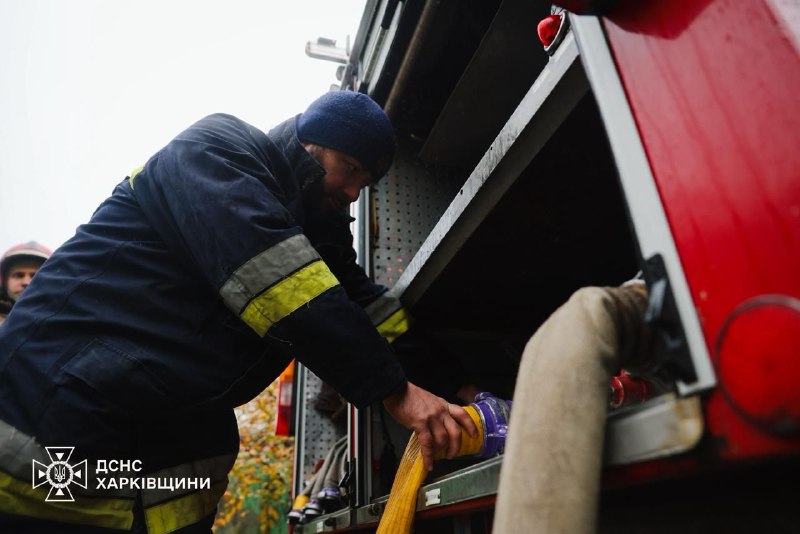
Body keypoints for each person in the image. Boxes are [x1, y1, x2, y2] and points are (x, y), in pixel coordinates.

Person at [0, 91, 477, 533]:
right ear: (309, 143)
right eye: (348, 168)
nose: (354, 192)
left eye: (365, 183)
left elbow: (369, 311)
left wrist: (460, 388)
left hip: (164, 426)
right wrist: (394, 391)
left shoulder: (319, 227)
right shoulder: (217, 151)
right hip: (56, 409)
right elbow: (279, 285)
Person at [0, 240, 52, 325]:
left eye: (35, 276)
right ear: (5, 281)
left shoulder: (68, 319)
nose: (26, 282)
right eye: (18, 275)